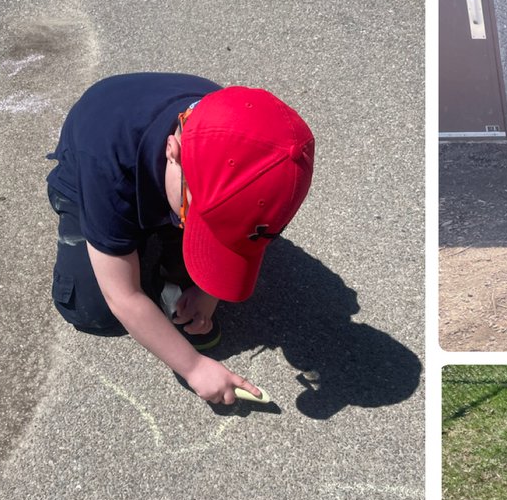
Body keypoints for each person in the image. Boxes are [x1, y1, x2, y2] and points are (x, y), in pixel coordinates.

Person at [46, 73, 314, 405]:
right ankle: (138, 234)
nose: (191, 227)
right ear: (172, 152)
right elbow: (123, 295)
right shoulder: (107, 164)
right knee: (91, 309)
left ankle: (164, 235)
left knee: (190, 268)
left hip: (164, 171)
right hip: (94, 169)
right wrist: (193, 367)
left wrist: (208, 292)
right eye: (195, 220)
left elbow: (245, 236)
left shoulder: (246, 138)